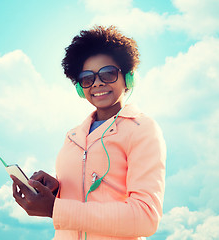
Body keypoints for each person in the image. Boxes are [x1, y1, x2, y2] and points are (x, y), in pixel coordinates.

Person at [11, 25, 166, 240]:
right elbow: (84, 197)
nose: (98, 83)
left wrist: (55, 209)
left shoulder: (142, 129)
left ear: (128, 78)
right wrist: (56, 191)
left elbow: (145, 217)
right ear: (79, 87)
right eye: (87, 78)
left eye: (108, 73)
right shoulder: (72, 136)